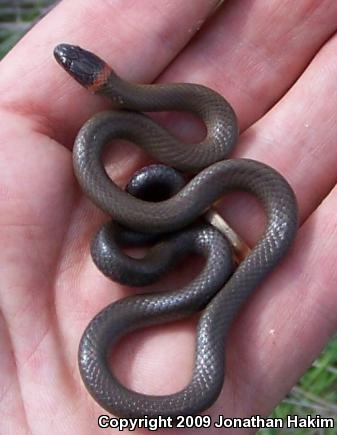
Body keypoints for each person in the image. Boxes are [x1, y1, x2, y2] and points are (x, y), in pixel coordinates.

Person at [0, 0, 336, 433]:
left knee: (209, 248)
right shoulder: (104, 132)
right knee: (200, 246)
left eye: (75, 66)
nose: (67, 62)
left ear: (99, 82)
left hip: (188, 228)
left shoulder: (209, 146)